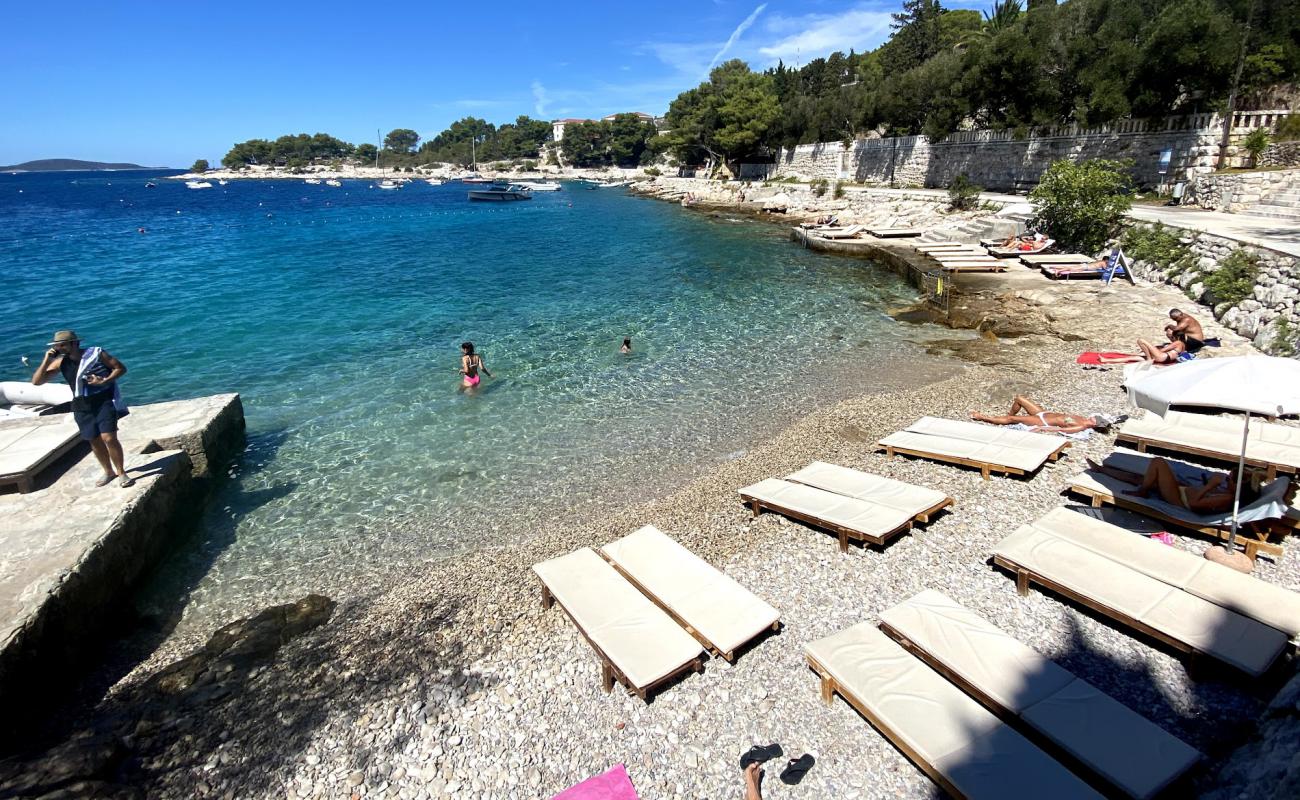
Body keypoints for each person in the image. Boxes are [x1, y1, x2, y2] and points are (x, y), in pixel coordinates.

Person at [30, 329, 133, 487]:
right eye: (57, 346)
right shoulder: (60, 362)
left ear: (75, 343)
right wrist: (46, 360)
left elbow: (120, 368)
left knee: (109, 438)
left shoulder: (96, 354)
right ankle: (108, 471)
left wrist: (104, 380)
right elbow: (37, 382)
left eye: (63, 345)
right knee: (94, 439)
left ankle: (121, 473)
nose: (60, 348)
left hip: (102, 401)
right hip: (81, 405)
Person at [1086, 456, 1249, 514]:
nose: (1227, 480)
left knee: (1158, 463)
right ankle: (1100, 470)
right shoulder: (1228, 493)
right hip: (1184, 490)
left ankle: (1143, 491)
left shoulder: (1227, 499)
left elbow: (1195, 504)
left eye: (1230, 480)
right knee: (1139, 477)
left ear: (1238, 488)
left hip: (1180, 499)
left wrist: (1210, 486)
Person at [971, 395, 1119, 434]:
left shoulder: (1079, 426)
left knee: (1012, 419)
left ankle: (981, 417)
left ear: (1094, 424)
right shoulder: (1084, 419)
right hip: (1043, 413)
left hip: (1041, 421)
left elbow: (1059, 429)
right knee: (1020, 399)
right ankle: (1006, 416)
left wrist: (1040, 428)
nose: (1094, 416)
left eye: (1096, 418)